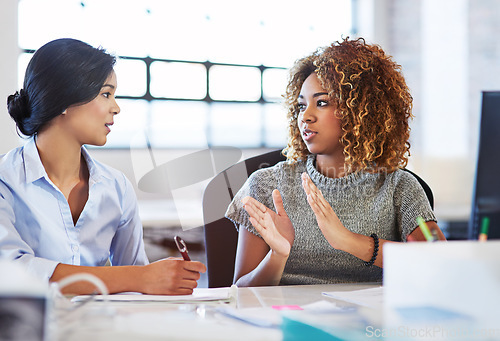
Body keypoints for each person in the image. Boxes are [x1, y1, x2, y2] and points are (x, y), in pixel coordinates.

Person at [225, 37, 446, 287]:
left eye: (322, 103)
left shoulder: (399, 187)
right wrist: (278, 255)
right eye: (300, 106)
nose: (305, 117)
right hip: (285, 321)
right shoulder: (267, 185)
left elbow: (439, 261)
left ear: (361, 109)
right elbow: (240, 292)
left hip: (367, 323)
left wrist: (348, 241)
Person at [0, 38, 206, 295]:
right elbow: (12, 270)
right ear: (64, 98)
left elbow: (135, 281)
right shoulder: (5, 181)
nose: (116, 108)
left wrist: (154, 280)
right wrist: (139, 277)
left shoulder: (117, 187)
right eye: (106, 94)